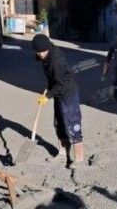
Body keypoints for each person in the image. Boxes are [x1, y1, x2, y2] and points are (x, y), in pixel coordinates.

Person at [32, 34, 85, 169]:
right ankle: (62, 153)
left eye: (43, 52)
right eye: (39, 52)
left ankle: (79, 157)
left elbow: (61, 85)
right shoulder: (44, 56)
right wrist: (49, 88)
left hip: (68, 92)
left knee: (72, 122)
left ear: (48, 48)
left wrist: (47, 96)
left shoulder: (57, 61)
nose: (41, 55)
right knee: (59, 123)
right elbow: (54, 78)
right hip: (57, 90)